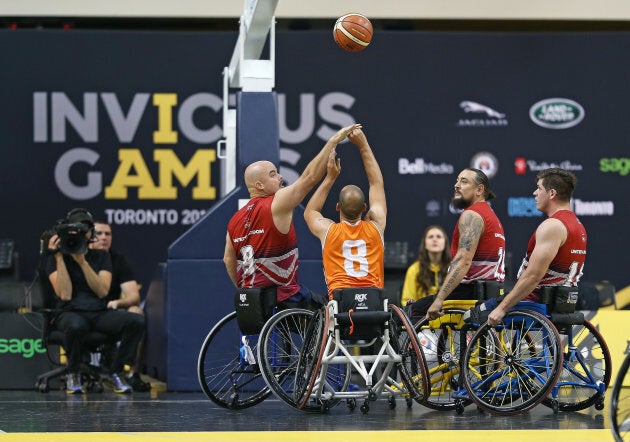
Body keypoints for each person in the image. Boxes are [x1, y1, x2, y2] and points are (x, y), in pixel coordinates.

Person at [224, 123, 361, 307]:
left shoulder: (234, 219)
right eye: (273, 175)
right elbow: (309, 178)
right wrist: (333, 141)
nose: (280, 177)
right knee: (335, 311)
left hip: (251, 301)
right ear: (259, 186)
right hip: (285, 297)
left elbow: (228, 259)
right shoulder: (276, 202)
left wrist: (244, 291)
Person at [45, 208, 145, 394]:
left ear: (90, 233)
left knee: (136, 321)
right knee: (76, 326)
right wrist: (60, 257)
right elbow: (65, 294)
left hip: (98, 312)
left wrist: (82, 261)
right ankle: (73, 372)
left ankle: (116, 372)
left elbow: (102, 291)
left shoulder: (102, 256)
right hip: (69, 312)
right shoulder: (56, 258)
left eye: (84, 231)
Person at [485, 168, 586, 326]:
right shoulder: (578, 226)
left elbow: (533, 277)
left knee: (473, 315)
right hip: (561, 301)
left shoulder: (552, 226)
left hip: (533, 303)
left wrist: (502, 308)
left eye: (539, 188)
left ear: (552, 193)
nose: (534, 193)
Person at [408, 168, 506, 320]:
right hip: (491, 293)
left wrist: (439, 300)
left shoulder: (472, 215)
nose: (457, 185)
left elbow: (463, 261)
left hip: (470, 293)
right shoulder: (491, 215)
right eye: (457, 180)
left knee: (405, 314)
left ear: (480, 189)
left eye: (464, 181)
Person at [303, 127, 385, 297]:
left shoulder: (328, 230)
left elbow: (310, 211)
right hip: (373, 303)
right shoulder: (376, 226)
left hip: (341, 305)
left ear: (337, 206)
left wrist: (330, 178)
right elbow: (376, 184)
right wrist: (363, 146)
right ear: (364, 208)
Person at [89, 220, 151, 392]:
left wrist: (118, 303)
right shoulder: (82, 258)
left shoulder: (117, 260)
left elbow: (134, 296)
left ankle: (130, 373)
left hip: (109, 313)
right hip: (85, 312)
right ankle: (76, 373)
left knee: (136, 313)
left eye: (107, 234)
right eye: (99, 234)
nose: (103, 238)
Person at [400, 225, 451, 307]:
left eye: (439, 237)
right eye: (430, 237)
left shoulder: (453, 269)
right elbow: (406, 301)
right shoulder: (414, 269)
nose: (435, 239)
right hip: (422, 317)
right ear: (425, 244)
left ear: (445, 243)